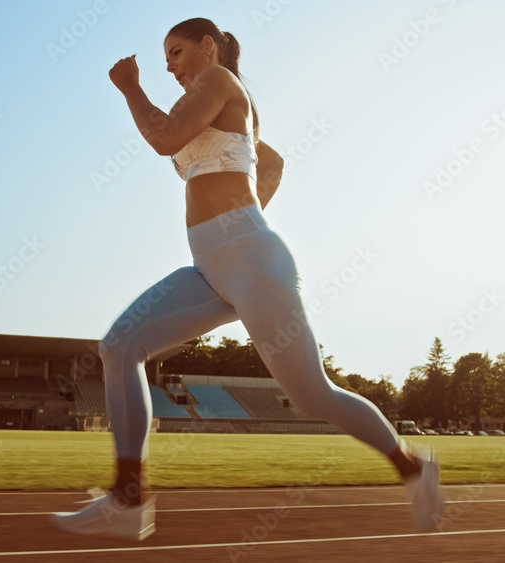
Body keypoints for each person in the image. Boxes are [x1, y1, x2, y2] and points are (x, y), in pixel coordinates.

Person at [50, 17, 443, 541]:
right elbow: (273, 163)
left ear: (207, 47)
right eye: (165, 58)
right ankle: (126, 498)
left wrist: (130, 87)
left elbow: (165, 138)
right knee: (119, 346)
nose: (169, 66)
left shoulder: (217, 81)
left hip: (252, 262)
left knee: (313, 396)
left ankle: (413, 467)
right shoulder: (215, 103)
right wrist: (243, 216)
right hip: (211, 268)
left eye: (176, 53)